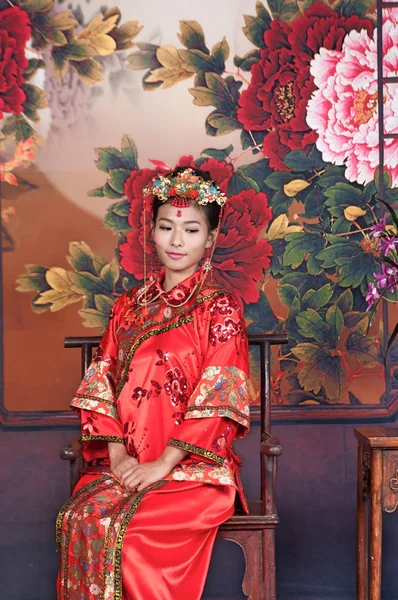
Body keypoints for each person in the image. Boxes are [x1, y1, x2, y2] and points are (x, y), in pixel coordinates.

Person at [57, 167, 251, 600]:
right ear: (153, 233)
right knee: (82, 519)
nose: (177, 241)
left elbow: (219, 397)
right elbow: (100, 381)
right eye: (167, 227)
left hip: (192, 473)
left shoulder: (220, 308)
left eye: (191, 229)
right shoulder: (130, 306)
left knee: (131, 534)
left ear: (210, 237)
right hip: (122, 467)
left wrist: (163, 463)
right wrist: (118, 453)